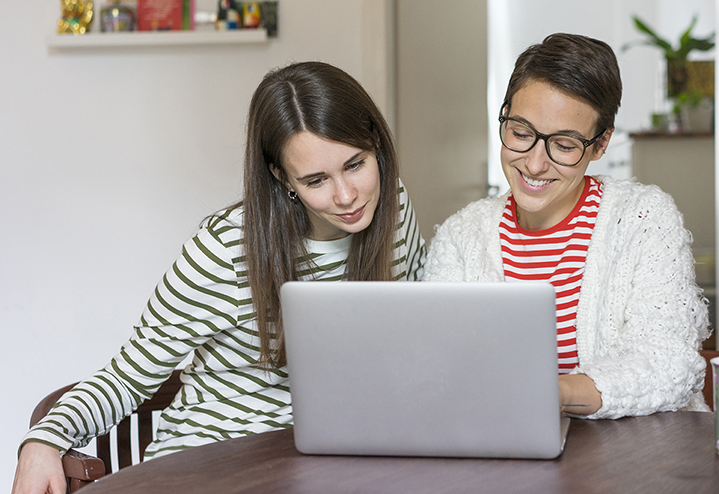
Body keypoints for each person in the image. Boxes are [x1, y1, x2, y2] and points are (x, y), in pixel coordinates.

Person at [13, 61, 425, 494]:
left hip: (323, 469)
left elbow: (416, 332)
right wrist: (42, 440)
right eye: (316, 180)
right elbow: (127, 376)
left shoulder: (392, 207)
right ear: (281, 176)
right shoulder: (227, 249)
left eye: (356, 165)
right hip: (206, 467)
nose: (346, 196)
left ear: (376, 142)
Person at [424, 33, 711, 420]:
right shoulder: (462, 236)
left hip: (631, 461)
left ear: (601, 144)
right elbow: (439, 366)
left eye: (563, 145)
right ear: (504, 114)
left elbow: (669, 363)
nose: (535, 164)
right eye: (521, 133)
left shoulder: (643, 217)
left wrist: (549, 393)